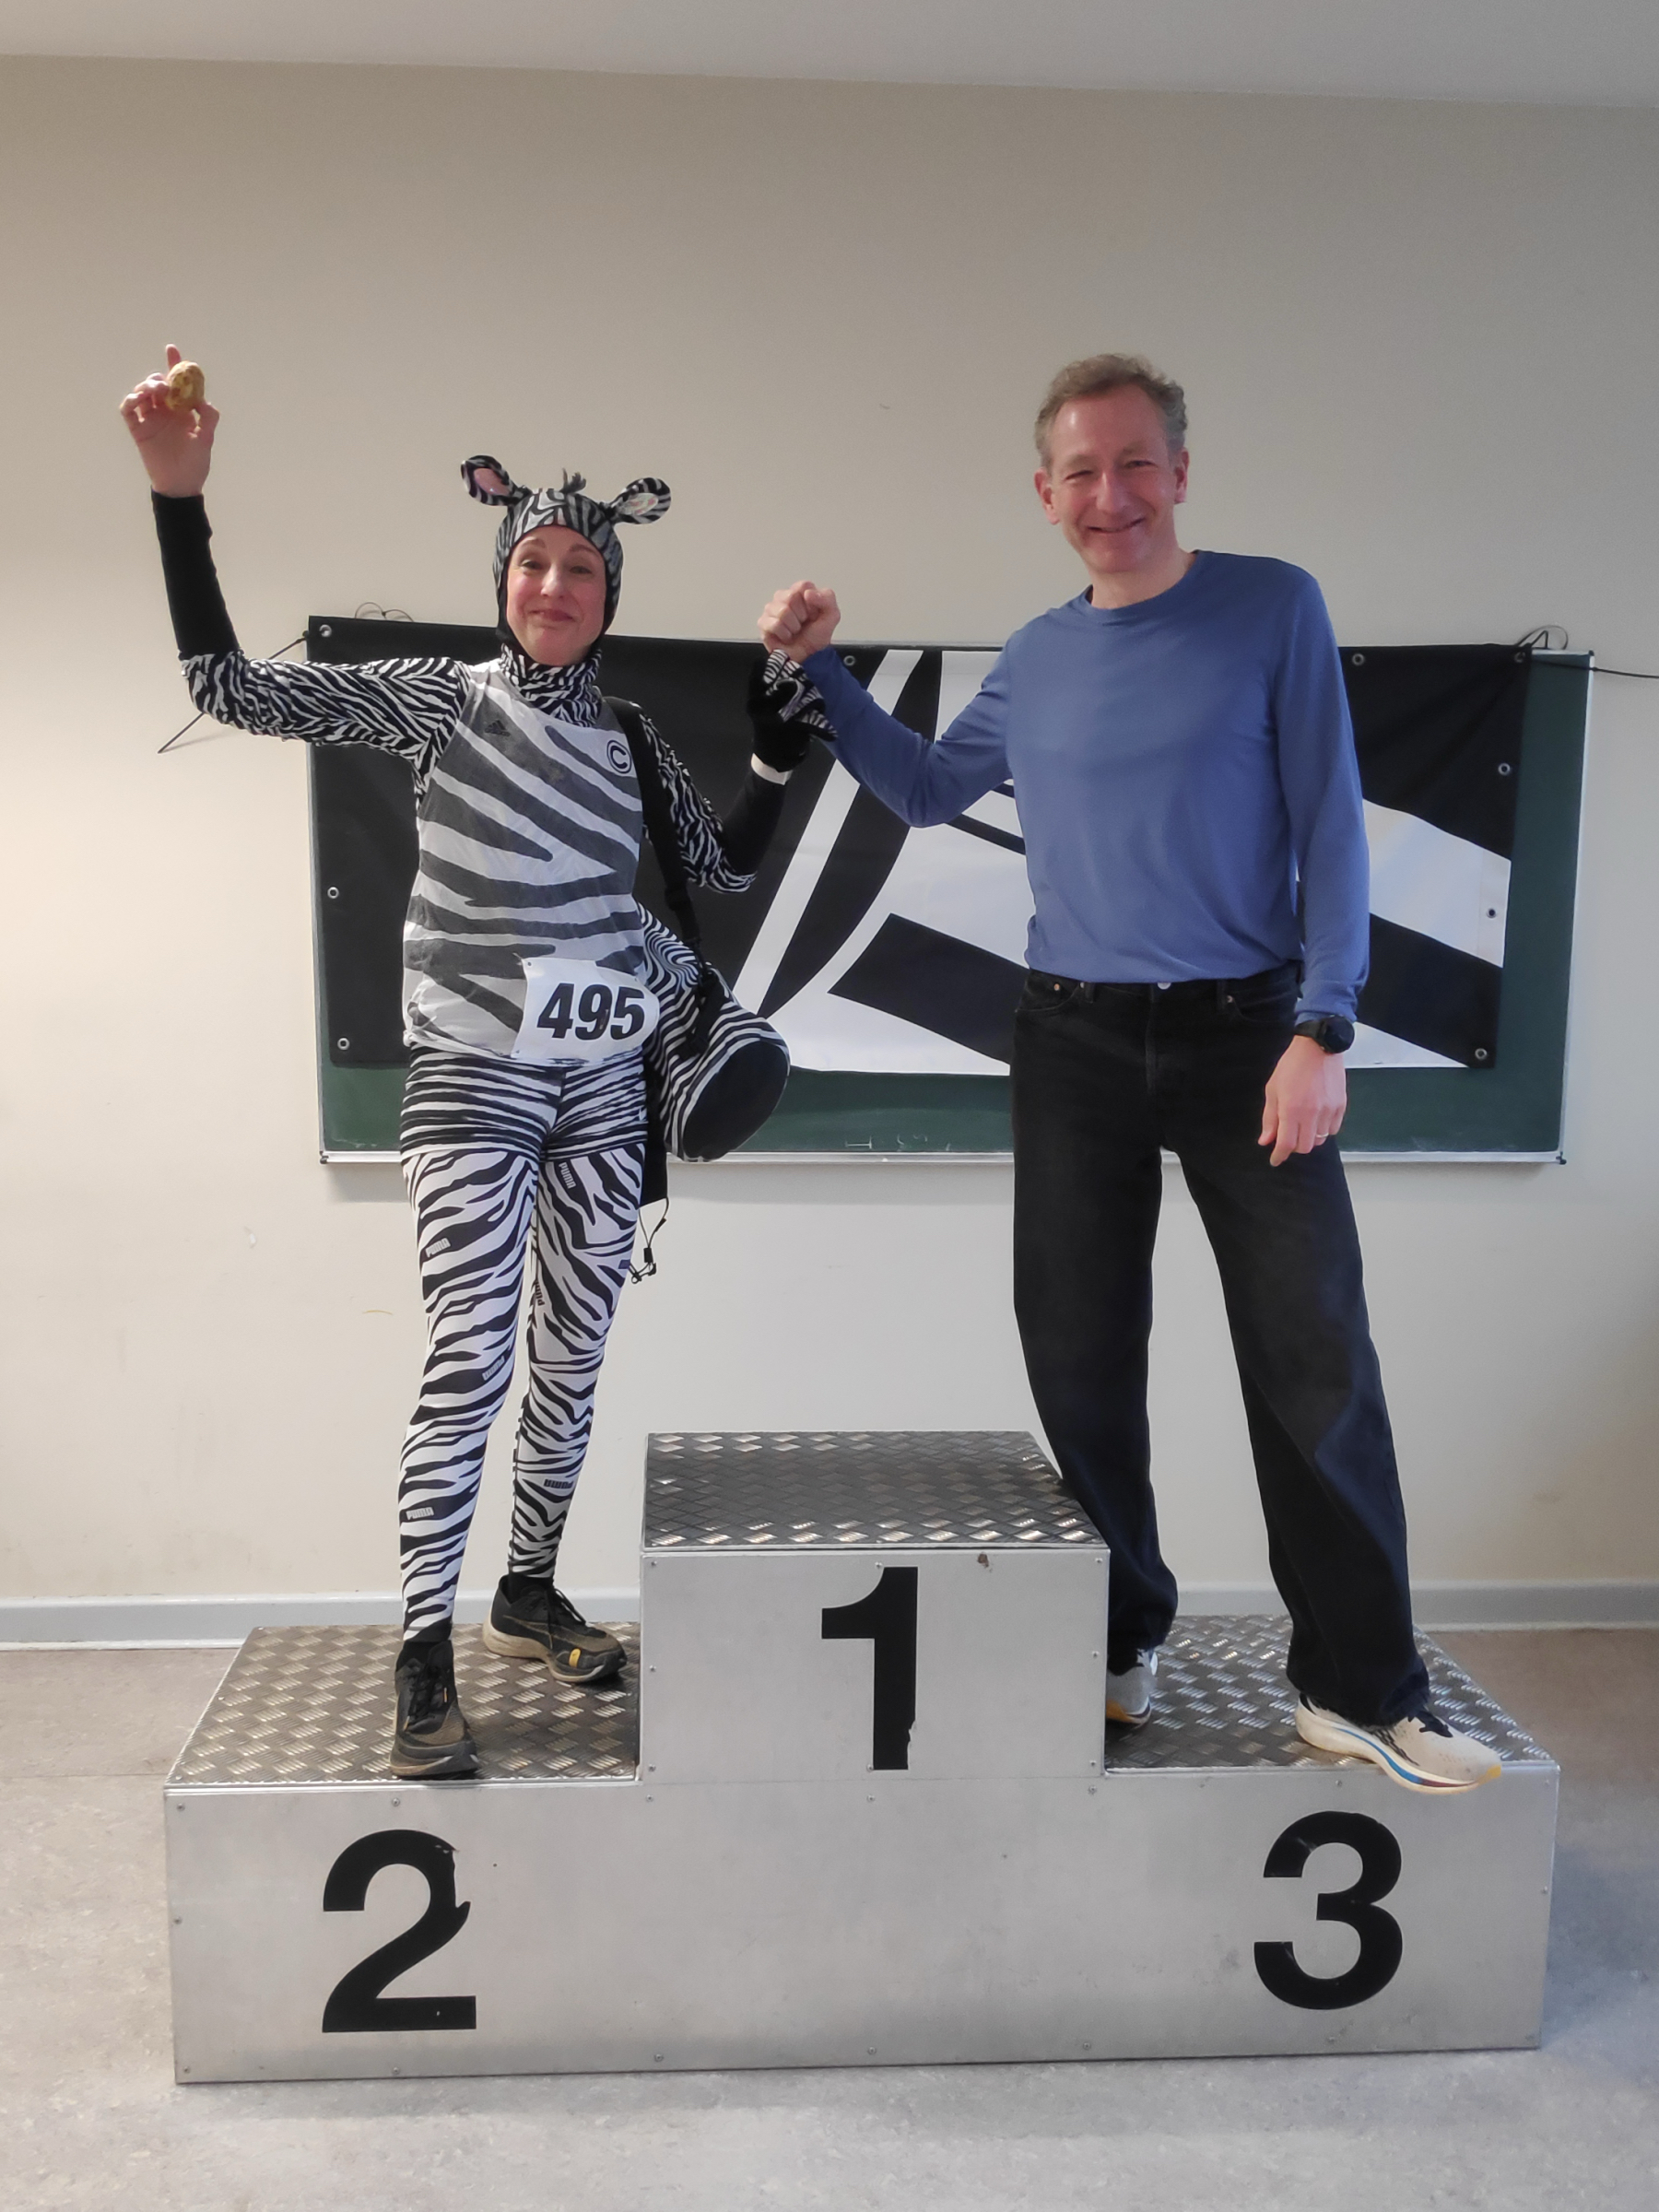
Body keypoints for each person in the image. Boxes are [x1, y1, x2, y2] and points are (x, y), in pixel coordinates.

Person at [757, 353, 1500, 1794]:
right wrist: (820, 673)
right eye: (1082, 473)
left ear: (1182, 472)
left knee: (1313, 1359)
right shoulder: (1038, 656)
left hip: (1249, 1037)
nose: (1113, 495)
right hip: (1074, 1042)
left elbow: (1329, 820)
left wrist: (1324, 1026)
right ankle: (1119, 1637)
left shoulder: (1272, 606)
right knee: (1081, 1355)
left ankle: (1361, 1689)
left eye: (1137, 463)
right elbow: (928, 789)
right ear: (1046, 496)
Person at [124, 348, 809, 1779]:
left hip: (602, 1089)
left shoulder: (629, 736)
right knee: (469, 1357)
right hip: (472, 1077)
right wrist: (180, 500)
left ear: (610, 596)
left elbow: (727, 875)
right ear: (502, 577)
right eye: (534, 561)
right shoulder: (441, 700)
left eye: (582, 567)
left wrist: (768, 759)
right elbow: (228, 688)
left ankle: (529, 1587)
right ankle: (422, 1651)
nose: (555, 583)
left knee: (573, 1356)